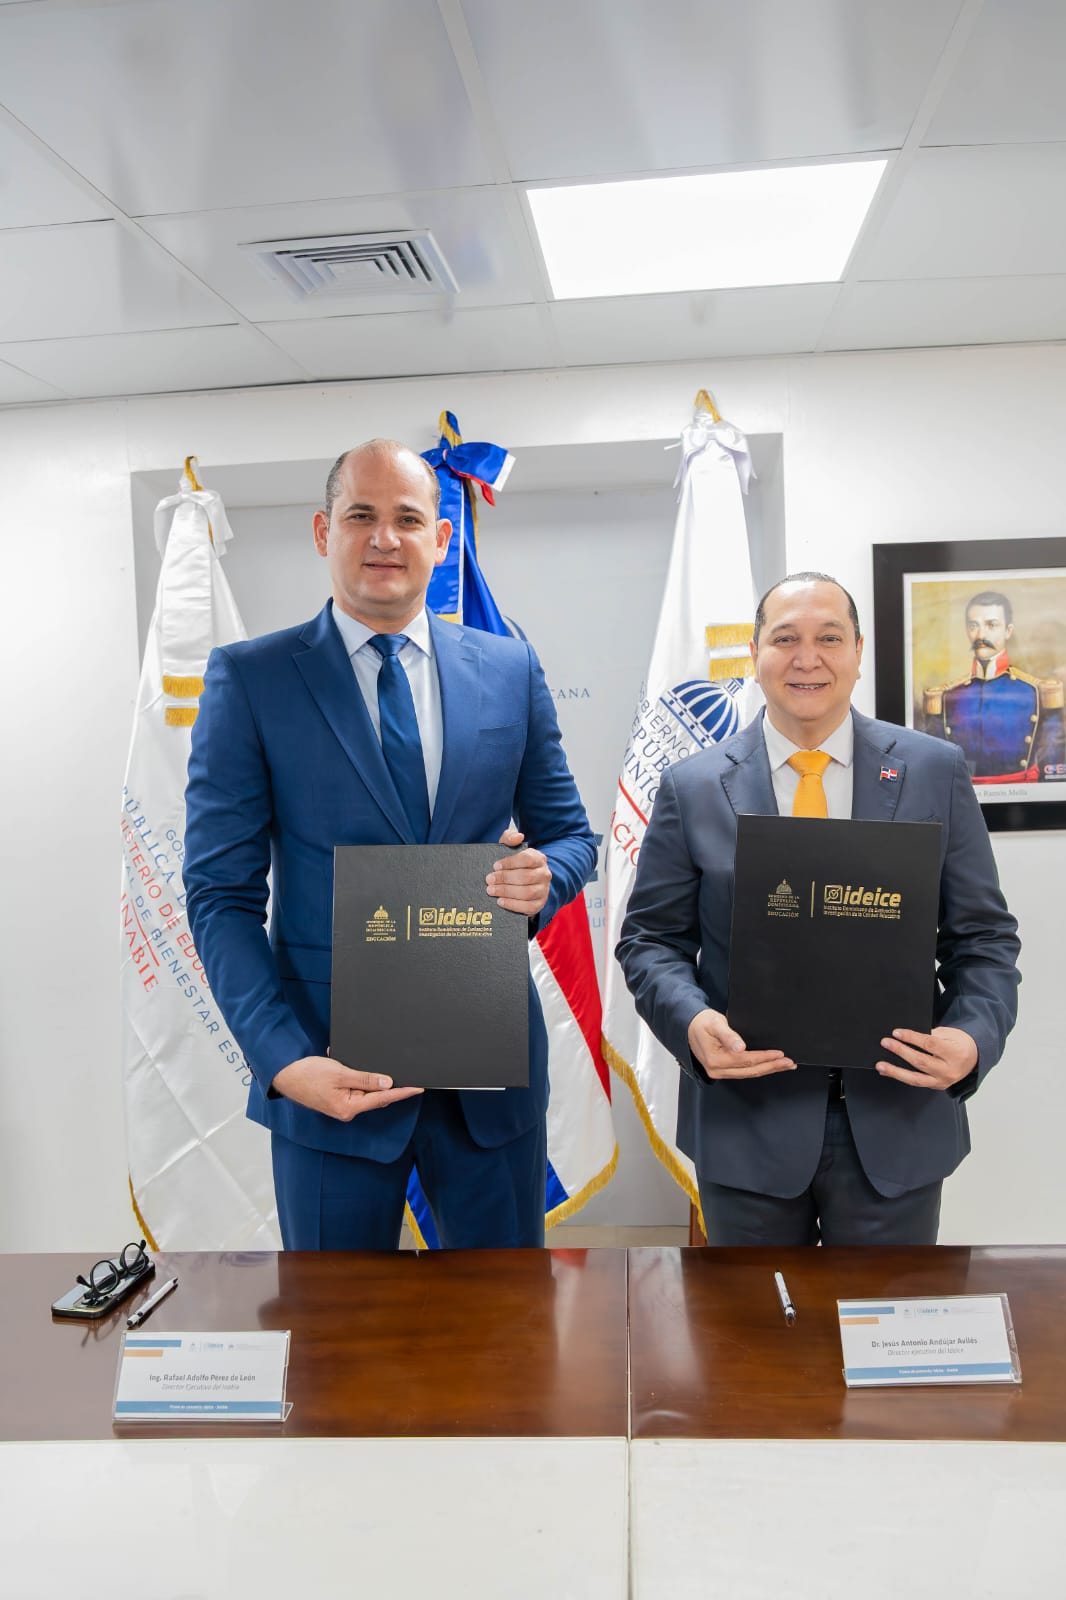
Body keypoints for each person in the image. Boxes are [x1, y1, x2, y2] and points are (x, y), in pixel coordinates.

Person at [183, 439, 596, 1251]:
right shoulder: (252, 680)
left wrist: (544, 878)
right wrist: (282, 1060)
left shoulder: (509, 669)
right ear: (322, 531)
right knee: (336, 1327)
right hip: (328, 1075)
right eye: (360, 516)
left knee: (499, 1320)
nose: (384, 538)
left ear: (441, 539)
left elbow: (570, 834)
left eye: (408, 519)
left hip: (487, 1079)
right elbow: (220, 896)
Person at [617, 572, 1020, 1246]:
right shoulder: (693, 788)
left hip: (898, 1121)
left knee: (885, 1317)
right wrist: (691, 1022)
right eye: (785, 639)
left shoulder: (934, 771)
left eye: (830, 638)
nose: (808, 659)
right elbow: (650, 941)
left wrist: (973, 1038)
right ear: (755, 654)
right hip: (746, 1125)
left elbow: (982, 937)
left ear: (859, 651)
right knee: (753, 1320)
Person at [923, 589, 1064, 781]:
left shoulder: (1038, 691)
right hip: (963, 794)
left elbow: (1053, 763)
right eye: (973, 626)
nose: (981, 634)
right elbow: (937, 765)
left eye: (991, 625)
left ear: (1008, 631)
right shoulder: (945, 696)